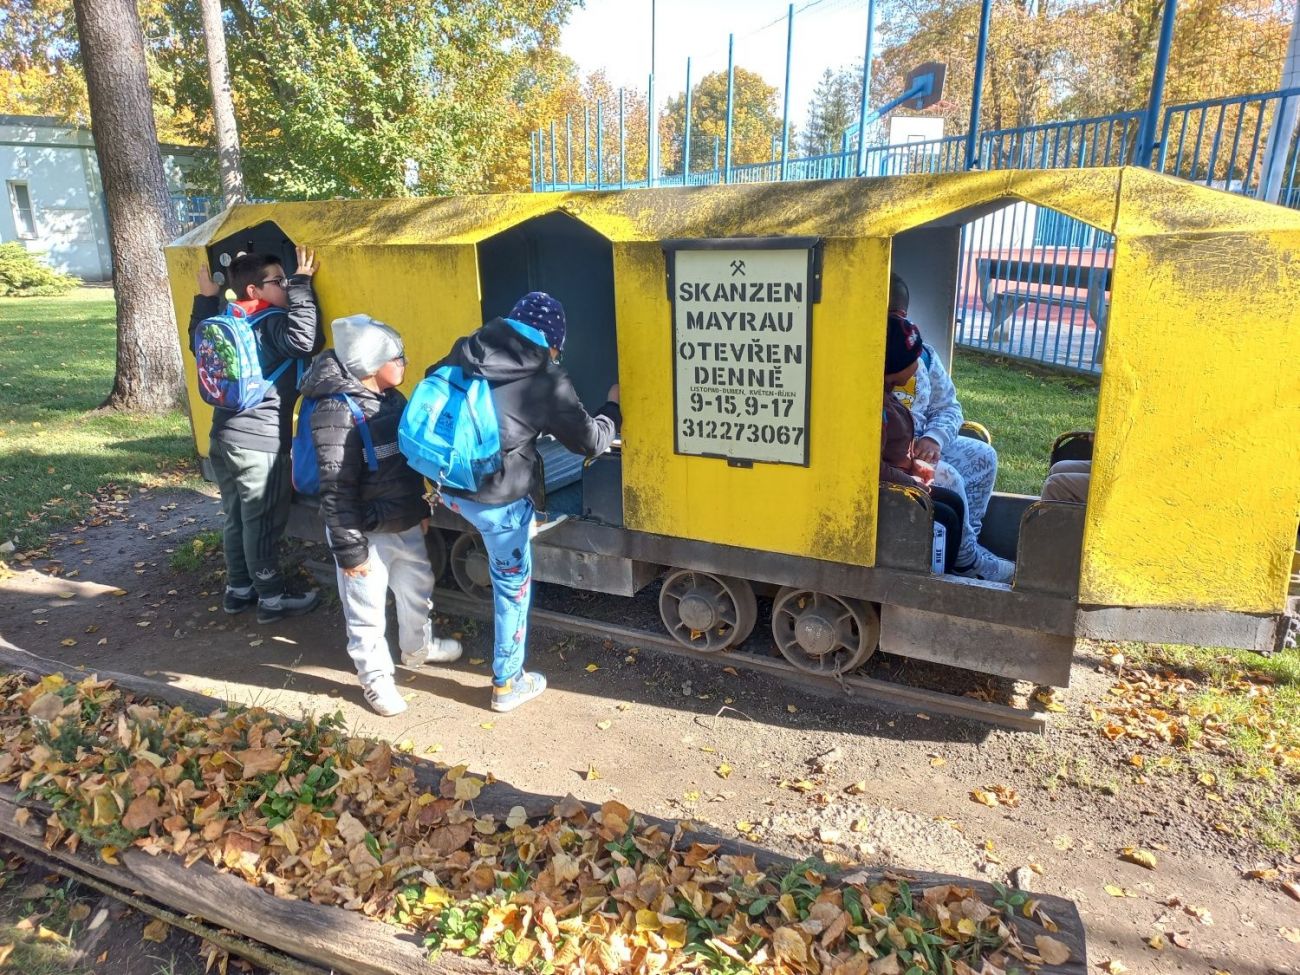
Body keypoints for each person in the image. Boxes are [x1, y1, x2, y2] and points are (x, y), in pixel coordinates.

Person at [432, 292, 620, 713]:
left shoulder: (468, 348)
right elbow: (590, 442)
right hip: (497, 501)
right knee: (511, 588)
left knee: (500, 527)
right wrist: (613, 407)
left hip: (447, 485)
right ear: (552, 342)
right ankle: (507, 684)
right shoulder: (546, 378)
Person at [301, 315, 463, 717]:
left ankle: (417, 647)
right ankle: (375, 678)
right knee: (366, 610)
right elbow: (336, 488)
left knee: (418, 588)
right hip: (363, 531)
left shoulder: (393, 399)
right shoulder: (336, 412)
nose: (405, 362)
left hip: (402, 520)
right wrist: (349, 551)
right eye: (397, 356)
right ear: (372, 364)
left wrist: (417, 508)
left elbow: (406, 462)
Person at [190, 248, 324, 623]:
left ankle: (238, 590)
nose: (285, 285)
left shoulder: (229, 318)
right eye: (278, 281)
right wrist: (302, 286)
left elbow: (195, 345)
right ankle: (272, 597)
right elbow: (305, 340)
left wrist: (206, 298)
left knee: (236, 517)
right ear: (255, 289)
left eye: (287, 279)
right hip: (258, 443)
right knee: (261, 522)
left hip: (223, 437)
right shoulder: (272, 322)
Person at [887, 273, 1014, 584]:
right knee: (948, 477)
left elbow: (948, 407)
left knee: (983, 456)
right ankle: (966, 560)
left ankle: (967, 545)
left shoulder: (923, 355)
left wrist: (935, 438)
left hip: (924, 442)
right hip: (894, 453)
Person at [881, 312, 966, 573]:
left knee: (954, 503)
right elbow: (870, 465)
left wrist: (922, 452)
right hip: (886, 483)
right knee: (945, 517)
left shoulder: (889, 389)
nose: (902, 384)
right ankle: (935, 579)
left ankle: (963, 560)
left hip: (902, 467)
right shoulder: (874, 402)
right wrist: (911, 481)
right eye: (895, 382)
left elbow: (948, 406)